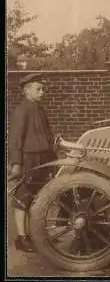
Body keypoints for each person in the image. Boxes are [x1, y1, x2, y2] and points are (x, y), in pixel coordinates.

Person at [8, 73, 56, 252]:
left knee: (38, 197)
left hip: (42, 159)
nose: (42, 92)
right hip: (28, 159)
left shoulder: (40, 110)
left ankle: (34, 236)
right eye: (39, 89)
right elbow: (15, 139)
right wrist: (16, 163)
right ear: (27, 91)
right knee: (23, 197)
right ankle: (21, 238)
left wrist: (52, 158)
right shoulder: (22, 110)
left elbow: (47, 136)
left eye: (43, 89)